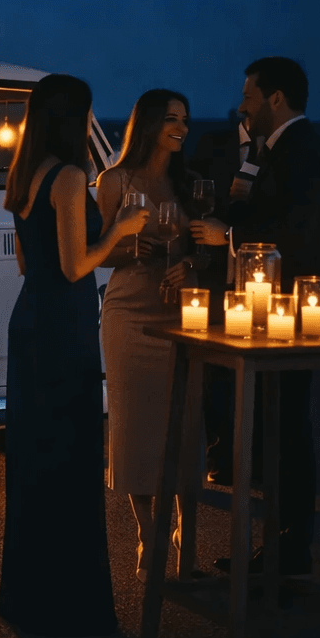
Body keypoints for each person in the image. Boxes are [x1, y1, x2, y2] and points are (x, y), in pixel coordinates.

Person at [0, 73, 147, 635]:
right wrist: (120, 229)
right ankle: (70, 605)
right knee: (71, 456)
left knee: (36, 459)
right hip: (64, 325)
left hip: (29, 320)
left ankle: (29, 596)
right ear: (71, 117)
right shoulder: (69, 177)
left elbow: (25, 265)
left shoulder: (24, 174)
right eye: (86, 113)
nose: (91, 122)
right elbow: (75, 266)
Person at [191, 57, 320, 576]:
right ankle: (281, 548)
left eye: (250, 97)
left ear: (276, 99)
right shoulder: (280, 152)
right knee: (278, 431)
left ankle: (288, 551)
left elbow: (297, 235)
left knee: (287, 433)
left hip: (292, 316)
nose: (242, 106)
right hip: (276, 313)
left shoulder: (303, 153)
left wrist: (226, 237)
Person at [96, 90, 205, 582]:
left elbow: (204, 250)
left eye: (185, 119)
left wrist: (191, 263)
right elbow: (100, 253)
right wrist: (125, 245)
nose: (181, 127)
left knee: (185, 427)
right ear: (148, 125)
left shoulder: (191, 184)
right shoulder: (114, 180)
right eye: (170, 119)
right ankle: (150, 534)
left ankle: (189, 541)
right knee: (135, 428)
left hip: (180, 313)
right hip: (128, 311)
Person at [188, 113, 261, 484]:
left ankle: (258, 459)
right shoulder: (211, 143)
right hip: (217, 273)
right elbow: (190, 196)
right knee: (215, 374)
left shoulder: (281, 154)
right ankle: (221, 456)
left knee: (256, 373)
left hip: (260, 278)